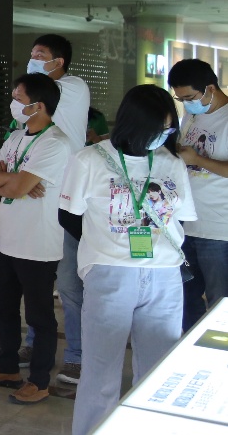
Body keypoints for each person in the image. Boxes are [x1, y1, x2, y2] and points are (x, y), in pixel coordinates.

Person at [59, 84, 195, 435]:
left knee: (158, 371)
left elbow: (180, 220)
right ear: (135, 123)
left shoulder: (170, 163)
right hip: (110, 272)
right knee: (100, 371)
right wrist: (107, 244)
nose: (164, 135)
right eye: (159, 128)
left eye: (169, 128)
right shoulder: (89, 159)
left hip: (164, 274)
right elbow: (68, 216)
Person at [0, 73, 73, 404]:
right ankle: (7, 367)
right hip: (7, 240)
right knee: (2, 306)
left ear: (38, 106)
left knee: (39, 316)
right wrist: (13, 180)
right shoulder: (15, 137)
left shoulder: (55, 143)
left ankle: (39, 380)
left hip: (38, 243)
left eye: (18, 98)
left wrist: (9, 181)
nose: (13, 103)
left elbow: (13, 187)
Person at [19, 33, 90, 383]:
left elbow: (31, 98)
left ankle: (76, 354)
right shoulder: (31, 114)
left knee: (69, 284)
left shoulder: (73, 87)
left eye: (40, 54)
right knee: (37, 281)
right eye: (32, 53)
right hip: (37, 198)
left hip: (68, 201)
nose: (33, 58)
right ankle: (35, 342)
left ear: (58, 62)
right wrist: (22, 179)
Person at [167, 58, 228, 329]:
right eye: (180, 99)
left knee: (220, 302)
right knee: (185, 297)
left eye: (190, 98)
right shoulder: (192, 116)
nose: (186, 103)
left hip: (218, 230)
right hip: (185, 225)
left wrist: (197, 160)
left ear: (210, 89)